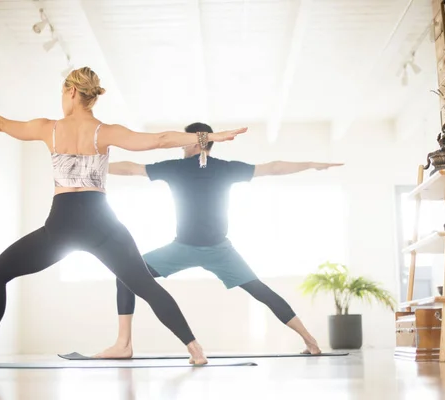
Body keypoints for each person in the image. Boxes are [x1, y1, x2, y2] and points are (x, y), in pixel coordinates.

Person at [0, 68, 247, 366]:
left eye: (62, 92)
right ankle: (196, 349)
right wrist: (209, 136)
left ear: (71, 92)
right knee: (145, 285)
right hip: (102, 224)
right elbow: (160, 139)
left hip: (61, 227)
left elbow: (1, 123)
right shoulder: (106, 132)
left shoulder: (49, 128)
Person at [97, 122, 343, 359]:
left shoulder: (177, 168)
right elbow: (273, 167)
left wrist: (92, 164)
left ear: (195, 142)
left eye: (184, 143)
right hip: (195, 249)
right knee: (260, 291)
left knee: (126, 276)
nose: (182, 147)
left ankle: (124, 344)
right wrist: (312, 164)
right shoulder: (223, 168)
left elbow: (131, 169)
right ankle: (310, 342)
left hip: (209, 250)